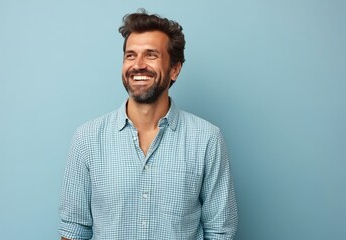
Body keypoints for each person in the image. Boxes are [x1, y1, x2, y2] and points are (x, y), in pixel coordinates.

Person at [59, 9, 238, 240]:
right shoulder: (87, 138)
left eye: (151, 55)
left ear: (175, 69)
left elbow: (220, 232)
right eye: (130, 55)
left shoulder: (207, 139)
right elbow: (74, 230)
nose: (138, 65)